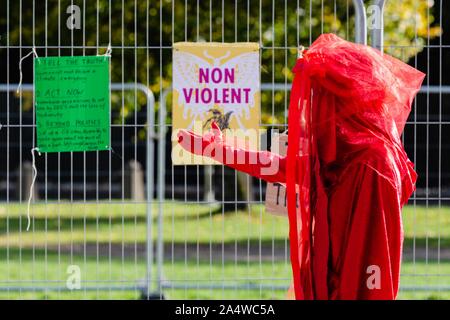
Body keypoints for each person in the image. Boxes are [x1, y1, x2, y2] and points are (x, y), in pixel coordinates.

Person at [177, 33, 425, 300]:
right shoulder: (346, 150)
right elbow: (288, 168)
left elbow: (371, 262)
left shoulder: (372, 163)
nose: (310, 106)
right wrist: (221, 149)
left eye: (318, 95)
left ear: (342, 100)